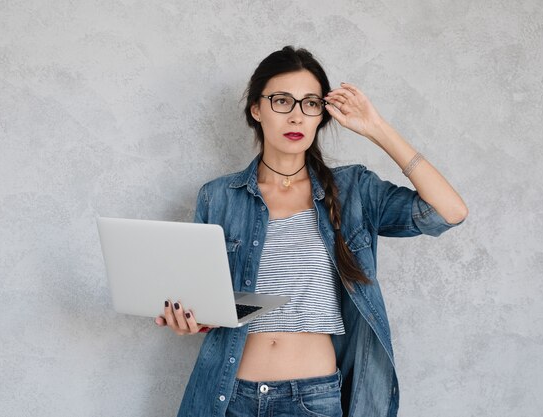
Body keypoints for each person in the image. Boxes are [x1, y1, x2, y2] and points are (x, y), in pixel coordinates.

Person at [155, 46, 468, 417]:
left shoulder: (354, 190)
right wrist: (190, 321)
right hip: (228, 396)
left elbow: (448, 212)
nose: (297, 116)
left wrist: (377, 128)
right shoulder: (219, 196)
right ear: (257, 109)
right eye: (282, 101)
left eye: (311, 104)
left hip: (312, 399)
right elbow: (211, 303)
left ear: (322, 114)